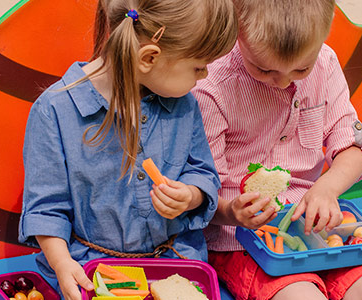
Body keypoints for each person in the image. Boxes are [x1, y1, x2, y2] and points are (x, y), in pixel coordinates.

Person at [18, 0, 237, 299]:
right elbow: (46, 208)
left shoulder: (184, 104)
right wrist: (62, 264)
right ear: (149, 58)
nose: (204, 76)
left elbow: (201, 171)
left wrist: (190, 195)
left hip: (175, 262)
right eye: (198, 67)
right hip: (90, 268)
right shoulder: (55, 111)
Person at [191, 0, 362, 299]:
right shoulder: (212, 87)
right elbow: (200, 186)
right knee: (301, 295)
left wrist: (327, 188)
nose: (283, 81)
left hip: (320, 227)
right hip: (242, 240)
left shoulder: (325, 65)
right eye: (264, 69)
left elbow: (353, 148)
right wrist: (231, 212)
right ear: (237, 26)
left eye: (301, 68)